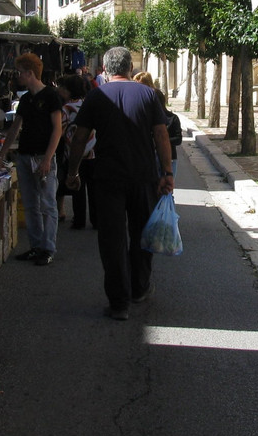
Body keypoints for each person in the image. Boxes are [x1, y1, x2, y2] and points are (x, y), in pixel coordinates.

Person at [65, 47, 174, 321]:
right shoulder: (148, 94)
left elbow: (80, 137)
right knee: (142, 235)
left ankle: (119, 303)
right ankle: (139, 288)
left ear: (105, 67)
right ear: (129, 67)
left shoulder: (96, 96)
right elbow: (161, 135)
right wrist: (168, 173)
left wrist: (73, 171)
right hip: (144, 177)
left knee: (112, 240)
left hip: (108, 178)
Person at [0, 52, 64, 265]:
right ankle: (35, 246)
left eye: (20, 73)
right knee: (31, 203)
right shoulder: (25, 99)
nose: (17, 77)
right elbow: (15, 128)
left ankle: (48, 248)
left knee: (48, 204)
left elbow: (57, 130)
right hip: (25, 157)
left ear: (30, 73)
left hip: (43, 156)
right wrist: (1, 155)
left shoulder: (51, 96)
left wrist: (47, 159)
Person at [56, 73, 96, 230]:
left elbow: (60, 131)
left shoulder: (66, 108)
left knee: (76, 187)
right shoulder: (89, 104)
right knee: (94, 189)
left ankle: (79, 220)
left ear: (69, 90)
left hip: (74, 153)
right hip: (93, 152)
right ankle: (96, 219)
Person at [135, 71, 182, 174]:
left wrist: (159, 140)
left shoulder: (172, 118)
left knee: (166, 188)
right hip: (149, 158)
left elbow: (178, 139)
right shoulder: (144, 116)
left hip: (169, 158)